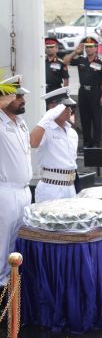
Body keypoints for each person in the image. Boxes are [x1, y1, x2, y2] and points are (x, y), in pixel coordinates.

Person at [0, 75, 32, 288]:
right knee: (2, 242)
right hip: (5, 191)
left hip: (24, 191)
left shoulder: (21, 123)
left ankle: (11, 285)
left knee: (16, 241)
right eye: (17, 96)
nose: (23, 100)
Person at [31, 87, 78, 202]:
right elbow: (32, 142)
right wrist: (47, 118)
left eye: (70, 106)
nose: (69, 109)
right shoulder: (45, 130)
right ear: (52, 107)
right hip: (51, 188)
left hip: (71, 186)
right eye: (65, 106)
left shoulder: (72, 132)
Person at [63, 37, 102, 148]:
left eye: (90, 47)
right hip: (83, 91)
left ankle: (96, 144)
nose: (88, 49)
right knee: (85, 119)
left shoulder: (101, 62)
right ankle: (87, 143)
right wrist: (75, 52)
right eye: (86, 47)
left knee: (96, 119)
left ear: (96, 48)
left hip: (95, 91)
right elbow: (65, 61)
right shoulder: (81, 60)